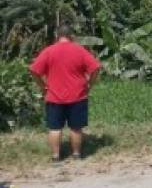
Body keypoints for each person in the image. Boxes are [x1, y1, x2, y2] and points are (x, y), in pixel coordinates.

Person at [29, 24, 101, 163]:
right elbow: (96, 68)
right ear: (71, 36)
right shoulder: (79, 50)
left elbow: (34, 70)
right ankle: (76, 155)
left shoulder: (49, 51)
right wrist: (89, 84)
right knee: (76, 128)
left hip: (54, 97)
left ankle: (56, 157)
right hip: (78, 95)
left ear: (57, 35)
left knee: (54, 128)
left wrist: (42, 87)